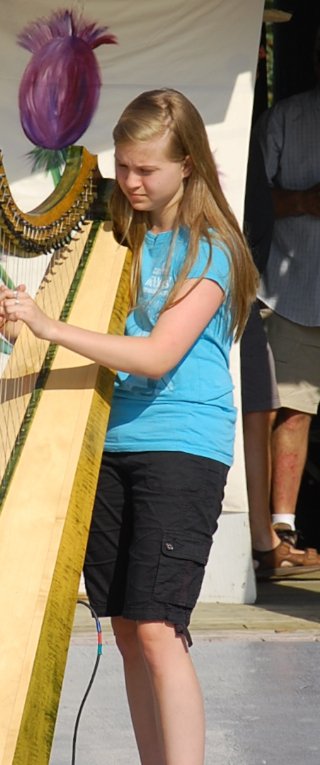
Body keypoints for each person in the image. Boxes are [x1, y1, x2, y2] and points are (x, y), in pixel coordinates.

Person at [0, 88, 257, 765]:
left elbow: (155, 357)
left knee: (159, 631)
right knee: (130, 637)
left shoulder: (211, 251)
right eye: (123, 168)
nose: (130, 183)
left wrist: (50, 325)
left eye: (146, 170)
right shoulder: (119, 241)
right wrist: (22, 315)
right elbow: (97, 330)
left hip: (181, 449)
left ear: (187, 165)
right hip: (112, 446)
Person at [254, 27, 320, 555]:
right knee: (286, 407)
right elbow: (248, 202)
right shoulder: (286, 118)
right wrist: (304, 201)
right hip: (292, 290)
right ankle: (278, 530)